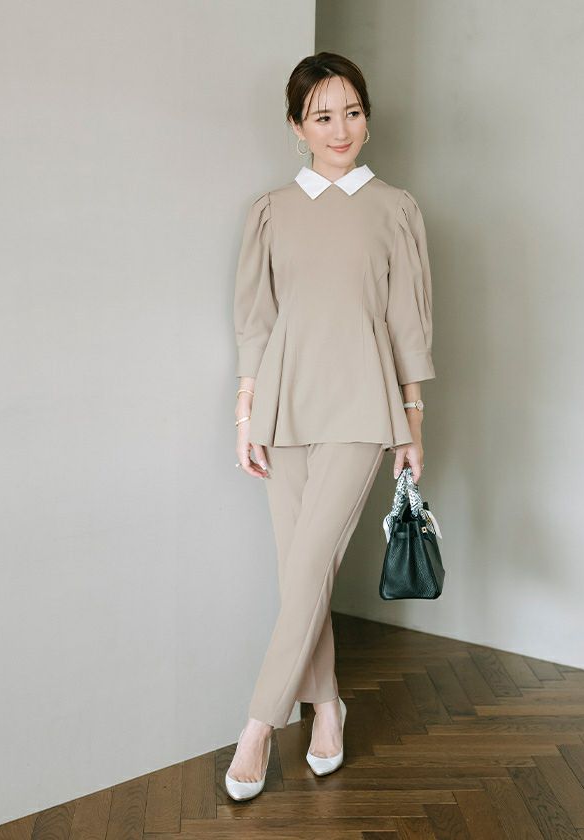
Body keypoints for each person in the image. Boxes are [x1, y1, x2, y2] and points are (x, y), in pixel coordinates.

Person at [226, 51, 436, 801]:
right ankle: (327, 708)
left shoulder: (395, 208)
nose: (340, 128)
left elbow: (408, 321)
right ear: (297, 126)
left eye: (351, 111)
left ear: (367, 118)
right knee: (301, 576)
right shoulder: (271, 210)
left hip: (360, 405)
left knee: (310, 565)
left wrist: (411, 422)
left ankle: (257, 727)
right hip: (282, 406)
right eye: (322, 116)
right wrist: (246, 415)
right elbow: (256, 320)